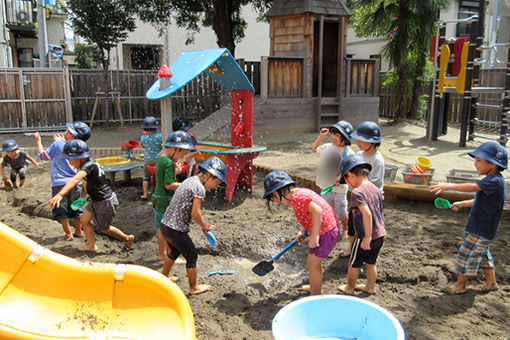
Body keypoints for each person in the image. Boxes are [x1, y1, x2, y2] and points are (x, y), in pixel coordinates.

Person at [430, 142, 507, 295]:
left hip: (482, 228)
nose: (475, 163)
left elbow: (474, 188)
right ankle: (491, 282)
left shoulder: (494, 181)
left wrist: (447, 186)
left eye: (479, 161)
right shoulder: (490, 181)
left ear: (492, 164)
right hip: (481, 226)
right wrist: (462, 203)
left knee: (466, 254)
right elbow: (480, 199)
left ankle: (460, 285)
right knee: (483, 255)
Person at [47, 139, 134, 252]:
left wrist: (60, 195)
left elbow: (75, 180)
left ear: (81, 157)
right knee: (84, 220)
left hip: (104, 201)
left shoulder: (88, 166)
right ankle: (91, 246)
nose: (69, 162)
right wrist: (90, 193)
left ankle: (127, 238)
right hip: (95, 199)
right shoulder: (90, 164)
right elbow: (98, 180)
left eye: (70, 159)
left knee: (104, 229)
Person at [263, 170, 339, 295]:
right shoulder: (298, 194)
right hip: (328, 229)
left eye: (273, 197)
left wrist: (314, 235)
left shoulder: (298, 198)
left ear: (278, 191)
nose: (276, 201)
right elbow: (308, 215)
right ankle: (316, 287)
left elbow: (318, 211)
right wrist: (302, 231)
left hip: (326, 232)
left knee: (312, 263)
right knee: (315, 263)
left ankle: (315, 294)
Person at [161, 156, 227, 295]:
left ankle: (164, 276)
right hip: (176, 230)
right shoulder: (199, 188)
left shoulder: (190, 180)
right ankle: (194, 287)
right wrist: (205, 226)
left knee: (174, 251)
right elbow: (196, 213)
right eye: (217, 182)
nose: (216, 186)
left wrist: (203, 225)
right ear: (208, 175)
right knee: (191, 256)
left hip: (165, 226)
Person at [337, 154, 386, 295]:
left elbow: (367, 214)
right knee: (371, 263)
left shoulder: (357, 193)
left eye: (346, 179)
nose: (347, 183)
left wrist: (367, 237)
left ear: (350, 175)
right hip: (380, 234)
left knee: (354, 263)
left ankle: (350, 287)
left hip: (365, 236)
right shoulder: (374, 188)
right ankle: (370, 287)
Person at [34, 122, 91, 240]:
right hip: (76, 183)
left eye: (68, 130)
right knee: (76, 207)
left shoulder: (58, 144)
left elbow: (42, 155)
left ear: (71, 135)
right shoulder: (81, 146)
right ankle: (79, 231)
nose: (66, 131)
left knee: (61, 210)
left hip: (59, 184)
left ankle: (68, 234)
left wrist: (38, 140)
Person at [341, 121, 385, 258]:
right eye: (357, 139)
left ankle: (367, 251)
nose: (358, 142)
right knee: (353, 225)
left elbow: (375, 182)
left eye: (363, 139)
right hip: (357, 197)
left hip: (370, 200)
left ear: (373, 142)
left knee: (367, 226)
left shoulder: (378, 160)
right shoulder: (359, 155)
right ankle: (352, 247)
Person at [153, 130, 196, 260]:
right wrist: (186, 185)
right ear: (176, 149)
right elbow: (169, 185)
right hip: (164, 199)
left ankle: (163, 253)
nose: (181, 157)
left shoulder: (162, 158)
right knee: (164, 229)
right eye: (182, 154)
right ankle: (164, 254)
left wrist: (175, 171)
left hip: (158, 197)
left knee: (161, 228)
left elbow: (163, 178)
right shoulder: (168, 162)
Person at [312, 120, 354, 240]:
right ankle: (330, 229)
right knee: (326, 209)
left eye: (338, 136)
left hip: (339, 188)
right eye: (333, 134)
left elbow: (352, 172)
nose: (334, 137)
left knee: (341, 210)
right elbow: (315, 149)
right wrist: (321, 136)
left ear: (345, 140)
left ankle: (346, 227)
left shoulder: (349, 153)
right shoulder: (327, 148)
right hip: (326, 186)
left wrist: (342, 180)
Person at [140, 116, 162, 199]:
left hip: (147, 159)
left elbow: (143, 146)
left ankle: (145, 194)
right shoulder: (160, 136)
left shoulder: (143, 137)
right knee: (158, 176)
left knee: (145, 177)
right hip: (158, 159)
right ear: (155, 128)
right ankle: (157, 191)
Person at [173, 116, 199, 182]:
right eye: (185, 131)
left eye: (187, 130)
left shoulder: (191, 137)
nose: (187, 132)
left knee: (189, 182)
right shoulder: (176, 138)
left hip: (190, 164)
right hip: (179, 164)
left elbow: (197, 151)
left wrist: (185, 156)